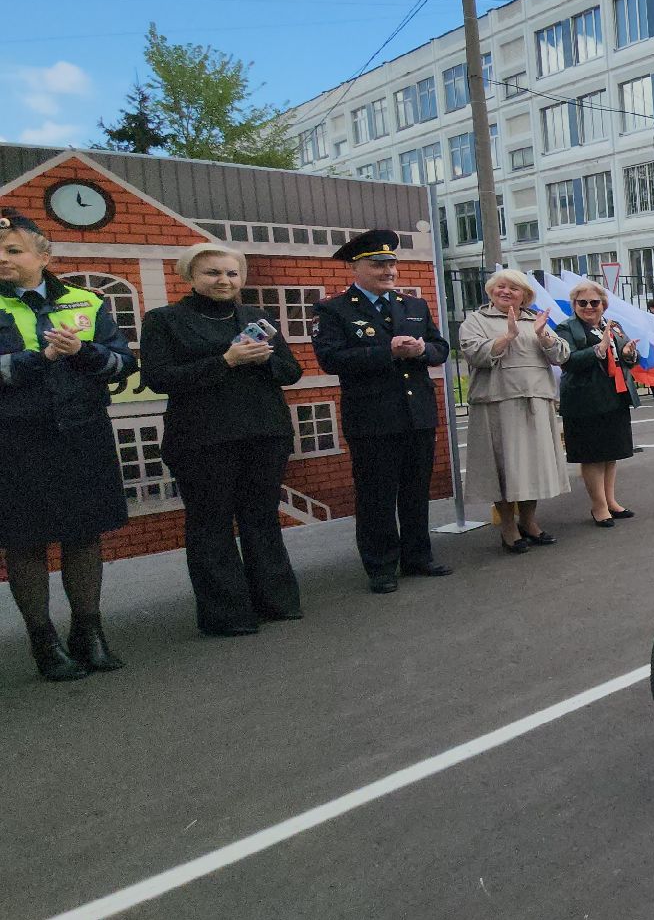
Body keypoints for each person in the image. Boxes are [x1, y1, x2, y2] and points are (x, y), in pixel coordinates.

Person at [0, 209, 138, 680]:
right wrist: (40, 358)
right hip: (15, 441)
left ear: (44, 254)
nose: (3, 259)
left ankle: (89, 634)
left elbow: (123, 364)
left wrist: (85, 352)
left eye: (13, 250)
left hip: (81, 434)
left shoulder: (86, 301)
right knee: (25, 542)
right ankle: (44, 643)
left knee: (84, 535)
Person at [140, 243, 304, 637]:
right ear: (190, 277)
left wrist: (267, 360)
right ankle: (228, 615)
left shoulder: (257, 317)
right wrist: (225, 361)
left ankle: (276, 601)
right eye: (212, 273)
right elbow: (159, 378)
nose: (223, 280)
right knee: (211, 525)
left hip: (264, 433)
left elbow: (291, 372)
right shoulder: (165, 320)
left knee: (262, 518)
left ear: (242, 278)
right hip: (203, 440)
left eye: (231, 273)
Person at [313, 229, 452, 594]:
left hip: (416, 414)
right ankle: (381, 566)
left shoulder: (412, 305)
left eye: (391, 263)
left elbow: (440, 348)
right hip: (373, 419)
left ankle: (418, 556)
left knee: (415, 491)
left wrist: (422, 351)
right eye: (378, 264)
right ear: (356, 268)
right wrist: (386, 351)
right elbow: (330, 359)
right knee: (376, 497)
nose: (388, 270)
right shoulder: (335, 309)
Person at [459, 270, 570, 552]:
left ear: (525, 295)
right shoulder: (476, 321)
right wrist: (507, 336)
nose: (506, 292)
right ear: (490, 290)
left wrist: (544, 336)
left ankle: (529, 522)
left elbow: (561, 355)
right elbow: (474, 354)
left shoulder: (536, 320)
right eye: (500, 286)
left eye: (514, 288)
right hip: (497, 404)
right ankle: (509, 527)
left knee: (532, 469)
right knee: (505, 470)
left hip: (535, 402)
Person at [556, 281, 639, 529]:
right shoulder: (566, 328)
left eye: (595, 302)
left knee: (611, 451)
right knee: (592, 455)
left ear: (604, 304)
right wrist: (599, 349)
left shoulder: (612, 326)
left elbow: (626, 358)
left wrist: (628, 355)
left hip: (614, 396)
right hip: (584, 400)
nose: (589, 307)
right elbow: (567, 361)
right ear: (574, 305)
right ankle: (598, 506)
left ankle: (610, 501)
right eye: (583, 303)